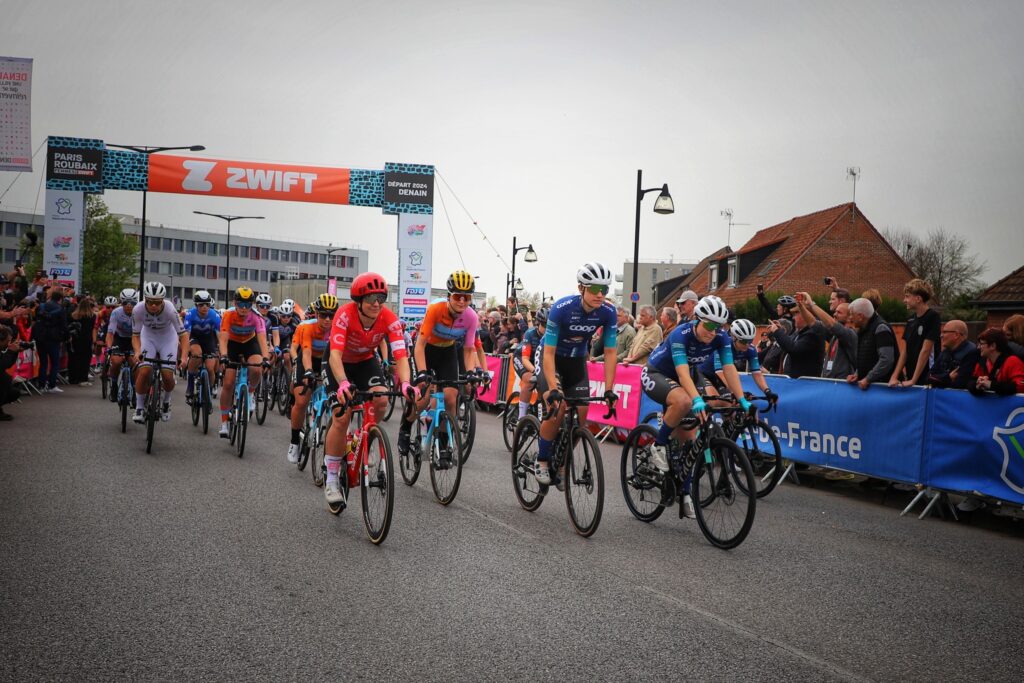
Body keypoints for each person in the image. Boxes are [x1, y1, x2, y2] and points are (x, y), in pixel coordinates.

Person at [641, 296, 752, 512]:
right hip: (657, 373)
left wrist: (741, 400)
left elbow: (729, 369)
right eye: (709, 325)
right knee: (684, 401)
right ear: (698, 320)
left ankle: (683, 491)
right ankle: (659, 444)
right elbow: (682, 374)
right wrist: (697, 400)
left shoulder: (720, 338)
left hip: (689, 376)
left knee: (691, 440)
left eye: (718, 326)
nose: (713, 331)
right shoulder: (680, 335)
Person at [322, 276, 415, 508]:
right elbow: (334, 355)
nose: (377, 303)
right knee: (341, 415)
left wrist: (405, 383)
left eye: (381, 298)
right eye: (371, 298)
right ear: (359, 300)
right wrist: (342, 383)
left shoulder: (389, 319)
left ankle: (367, 436)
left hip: (365, 361)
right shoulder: (344, 314)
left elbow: (401, 356)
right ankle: (332, 478)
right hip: (339, 363)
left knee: (381, 398)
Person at [534, 262, 618, 486]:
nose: (600, 295)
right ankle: (541, 459)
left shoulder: (609, 312)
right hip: (552, 357)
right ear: (581, 288)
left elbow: (610, 352)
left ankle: (563, 461)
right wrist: (553, 387)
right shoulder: (562, 308)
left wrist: (609, 389)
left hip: (577, 360)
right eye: (595, 289)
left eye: (605, 290)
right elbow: (549, 352)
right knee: (557, 407)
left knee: (581, 413)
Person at [398, 271, 484, 463]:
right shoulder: (435, 309)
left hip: (447, 352)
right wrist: (421, 373)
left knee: (451, 396)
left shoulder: (471, 317)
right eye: (457, 296)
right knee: (422, 396)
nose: (462, 301)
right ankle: (405, 428)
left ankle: (444, 444)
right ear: (449, 296)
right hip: (427, 351)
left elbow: (469, 350)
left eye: (467, 297)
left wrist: (470, 372)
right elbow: (419, 345)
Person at [131, 282, 188, 424]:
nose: (154, 306)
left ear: (163, 300)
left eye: (157, 302)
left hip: (167, 339)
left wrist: (184, 357)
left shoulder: (170, 309)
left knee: (167, 376)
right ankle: (139, 407)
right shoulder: (138, 309)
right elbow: (136, 335)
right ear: (145, 299)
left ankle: (167, 401)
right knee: (144, 371)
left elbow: (183, 335)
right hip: (148, 338)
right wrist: (137, 351)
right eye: (150, 302)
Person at [217, 287, 270, 438]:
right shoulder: (228, 315)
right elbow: (223, 337)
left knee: (257, 368)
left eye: (248, 305)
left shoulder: (256, 317)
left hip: (249, 342)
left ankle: (251, 393)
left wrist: (266, 358)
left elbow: (262, 339)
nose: (244, 308)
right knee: (228, 383)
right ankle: (224, 423)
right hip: (232, 344)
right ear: (235, 303)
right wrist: (224, 355)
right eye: (241, 304)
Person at [699, 318, 777, 401]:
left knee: (740, 406)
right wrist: (739, 393)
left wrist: (767, 391)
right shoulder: (723, 346)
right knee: (719, 402)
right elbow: (721, 374)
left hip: (718, 376)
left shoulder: (751, 349)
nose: (747, 344)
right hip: (704, 374)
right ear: (734, 338)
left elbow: (757, 374)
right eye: (743, 341)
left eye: (750, 341)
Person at [889, 279, 941, 387]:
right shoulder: (911, 320)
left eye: (907, 296)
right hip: (911, 377)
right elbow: (905, 351)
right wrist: (894, 376)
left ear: (918, 299)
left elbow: (926, 350)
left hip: (926, 379)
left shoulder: (933, 317)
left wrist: (914, 380)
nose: (904, 300)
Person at [795, 292, 857, 379]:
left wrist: (812, 304)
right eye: (835, 311)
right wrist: (801, 306)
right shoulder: (834, 335)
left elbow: (831, 323)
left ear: (850, 317)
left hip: (842, 386)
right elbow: (813, 323)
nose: (834, 314)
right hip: (829, 383)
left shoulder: (851, 334)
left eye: (839, 312)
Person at [846, 298, 896, 390]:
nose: (849, 318)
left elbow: (886, 360)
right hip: (872, 387)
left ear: (860, 316)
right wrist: (857, 374)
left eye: (851, 314)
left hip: (884, 389)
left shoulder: (881, 328)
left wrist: (868, 379)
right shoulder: (863, 329)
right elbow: (866, 357)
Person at [182, 290, 222, 403]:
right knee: (197, 354)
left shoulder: (215, 315)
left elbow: (220, 336)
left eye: (207, 304)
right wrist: (185, 353)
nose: (204, 307)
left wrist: (222, 351)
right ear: (196, 305)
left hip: (209, 340)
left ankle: (208, 391)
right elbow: (186, 335)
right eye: (201, 305)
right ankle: (190, 386)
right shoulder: (190, 314)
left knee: (210, 368)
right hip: (195, 338)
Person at [512, 309, 546, 420]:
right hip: (522, 358)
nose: (547, 329)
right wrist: (536, 371)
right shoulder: (530, 333)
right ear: (538, 324)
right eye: (544, 325)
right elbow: (525, 359)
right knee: (531, 381)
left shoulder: (553, 335)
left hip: (537, 361)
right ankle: (521, 417)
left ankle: (540, 410)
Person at [969, 328, 1024, 396]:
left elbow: (1021, 386)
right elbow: (970, 382)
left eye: (981, 344)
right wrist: (977, 385)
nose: (978, 347)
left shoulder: (1012, 361)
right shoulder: (982, 362)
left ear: (992, 346)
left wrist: (991, 384)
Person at [106, 289, 138, 401]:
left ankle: (135, 389)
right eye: (125, 303)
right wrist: (109, 348)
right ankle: (114, 385)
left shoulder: (139, 312)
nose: (129, 306)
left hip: (134, 339)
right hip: (119, 339)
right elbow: (110, 333)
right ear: (121, 303)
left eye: (132, 303)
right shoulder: (116, 312)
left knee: (135, 362)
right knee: (116, 361)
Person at [33, 288, 67, 393]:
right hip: (53, 338)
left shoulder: (41, 306)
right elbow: (63, 325)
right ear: (60, 299)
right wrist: (65, 337)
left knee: (43, 362)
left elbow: (35, 318)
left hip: (40, 337)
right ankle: (52, 385)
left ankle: (41, 385)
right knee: (54, 362)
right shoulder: (60, 309)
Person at [928, 320, 979, 389]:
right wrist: (948, 377)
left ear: (956, 335)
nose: (941, 336)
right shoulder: (945, 352)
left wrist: (940, 379)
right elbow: (929, 378)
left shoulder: (971, 352)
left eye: (944, 332)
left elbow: (960, 383)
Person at [67, 296, 96, 385]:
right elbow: (92, 328)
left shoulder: (74, 315)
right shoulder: (92, 316)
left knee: (74, 358)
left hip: (75, 339)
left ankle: (72, 378)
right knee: (85, 359)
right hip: (87, 339)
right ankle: (83, 378)